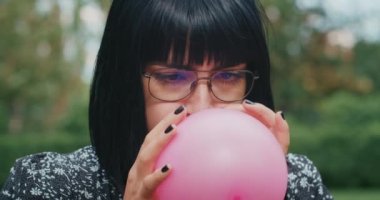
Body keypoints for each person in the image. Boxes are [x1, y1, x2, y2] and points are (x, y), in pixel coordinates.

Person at [1, 0, 334, 199]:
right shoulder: (51, 187)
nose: (202, 107)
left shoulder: (296, 184)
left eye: (229, 76)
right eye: (172, 77)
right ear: (127, 85)